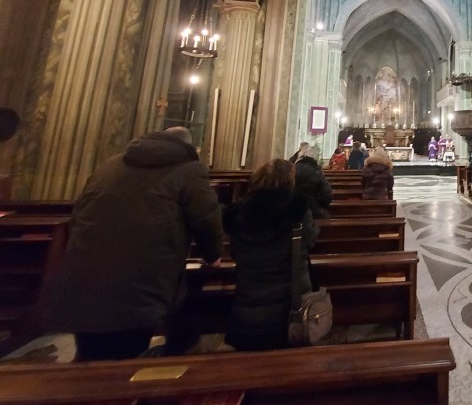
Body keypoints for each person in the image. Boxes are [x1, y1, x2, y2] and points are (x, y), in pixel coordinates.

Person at [42, 127, 223, 361]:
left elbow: (79, 214)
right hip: (142, 277)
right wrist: (213, 254)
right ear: (189, 147)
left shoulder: (110, 165)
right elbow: (205, 219)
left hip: (87, 271)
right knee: (125, 356)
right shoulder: (190, 171)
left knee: (89, 355)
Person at [223, 159, 318, 351]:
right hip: (292, 303)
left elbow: (233, 250)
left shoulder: (238, 213)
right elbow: (309, 241)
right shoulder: (297, 209)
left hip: (249, 302)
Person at [294, 144, 333, 218]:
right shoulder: (317, 172)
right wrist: (319, 204)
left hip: (293, 211)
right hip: (313, 210)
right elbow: (327, 195)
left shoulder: (291, 170)